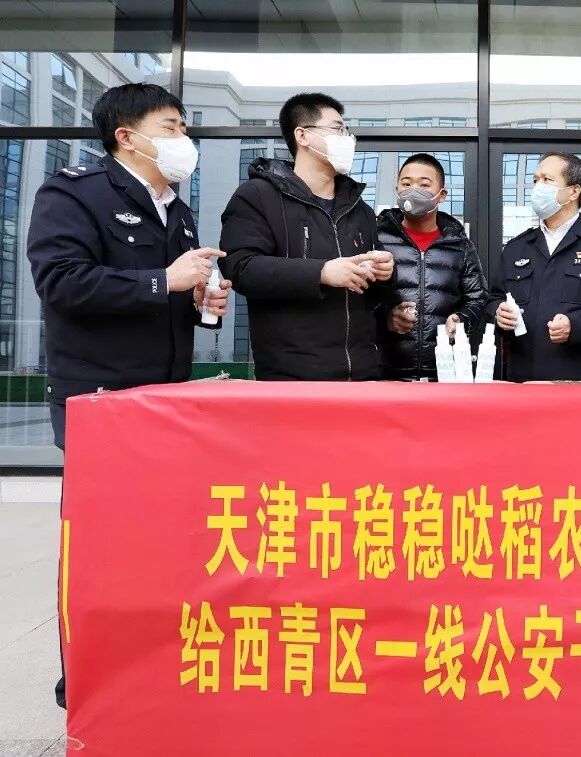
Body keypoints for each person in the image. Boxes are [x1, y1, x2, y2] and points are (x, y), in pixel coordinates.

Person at [26, 82, 230, 709]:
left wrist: (201, 301)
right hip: (101, 400)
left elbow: (169, 294)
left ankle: (153, 665)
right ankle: (86, 680)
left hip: (164, 400)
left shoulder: (177, 209)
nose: (184, 139)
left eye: (184, 127)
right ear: (127, 136)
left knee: (160, 540)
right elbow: (61, 282)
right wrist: (163, 280)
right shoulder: (74, 193)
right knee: (101, 544)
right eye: (172, 127)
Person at [218, 92, 395, 380]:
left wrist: (384, 273)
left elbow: (374, 297)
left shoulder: (358, 207)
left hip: (362, 375)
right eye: (337, 129)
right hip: (293, 377)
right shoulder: (258, 196)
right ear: (302, 136)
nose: (347, 139)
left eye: (347, 131)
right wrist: (321, 272)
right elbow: (241, 267)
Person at [487, 152, 581, 381]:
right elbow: (494, 298)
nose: (538, 187)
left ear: (573, 191)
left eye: (547, 180)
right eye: (535, 180)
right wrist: (499, 313)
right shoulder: (517, 248)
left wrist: (577, 325)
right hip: (523, 381)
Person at [380, 154, 487, 380]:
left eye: (424, 185)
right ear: (397, 189)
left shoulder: (459, 244)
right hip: (385, 372)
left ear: (442, 195)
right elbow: (358, 299)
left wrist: (461, 320)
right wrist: (386, 318)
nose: (413, 190)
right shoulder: (377, 239)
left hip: (445, 374)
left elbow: (477, 297)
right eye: (406, 184)